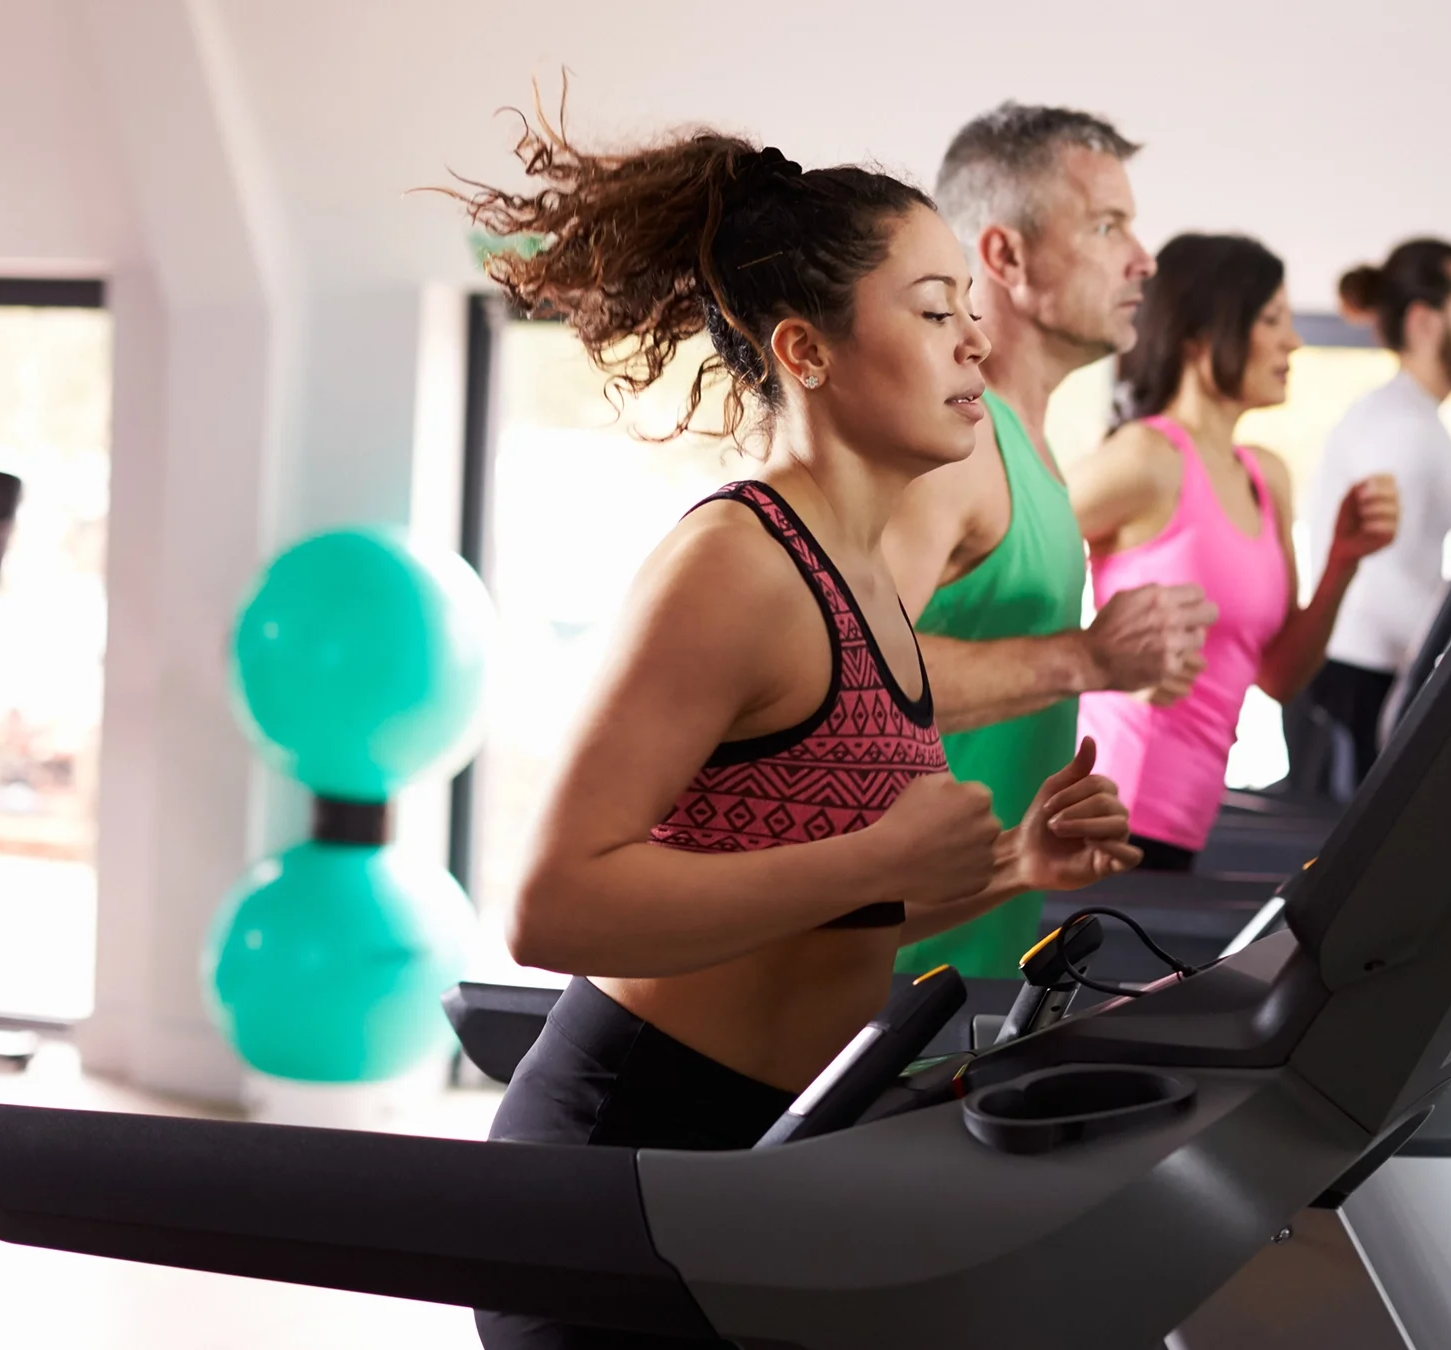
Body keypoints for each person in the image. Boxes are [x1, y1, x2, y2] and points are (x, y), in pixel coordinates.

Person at [446, 116, 1140, 1349]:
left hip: (763, 1153)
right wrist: (880, 858)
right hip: (621, 1155)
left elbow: (809, 921)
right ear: (805, 350)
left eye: (967, 308)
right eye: (934, 310)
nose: (975, 339)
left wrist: (1011, 863)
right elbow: (551, 907)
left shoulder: (865, 577)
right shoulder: (739, 564)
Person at [883, 103, 1217, 976]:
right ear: (1005, 257)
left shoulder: (1030, 448)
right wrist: (1085, 659)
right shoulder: (955, 448)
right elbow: (847, 682)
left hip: (974, 970)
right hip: (886, 993)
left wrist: (1116, 661)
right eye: (1106, 226)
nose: (1143, 258)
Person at [1069, 234, 1400, 872]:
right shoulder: (1146, 458)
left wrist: (1343, 561)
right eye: (1271, 320)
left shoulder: (1264, 475)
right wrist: (1093, 658)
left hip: (1186, 820)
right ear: (1199, 336)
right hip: (1109, 812)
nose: (1292, 342)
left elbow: (1278, 678)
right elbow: (1002, 558)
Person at [1294, 239, 1451, 787]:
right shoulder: (1400, 428)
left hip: (1373, 674)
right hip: (1359, 684)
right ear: (1425, 322)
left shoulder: (1416, 419)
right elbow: (1386, 577)